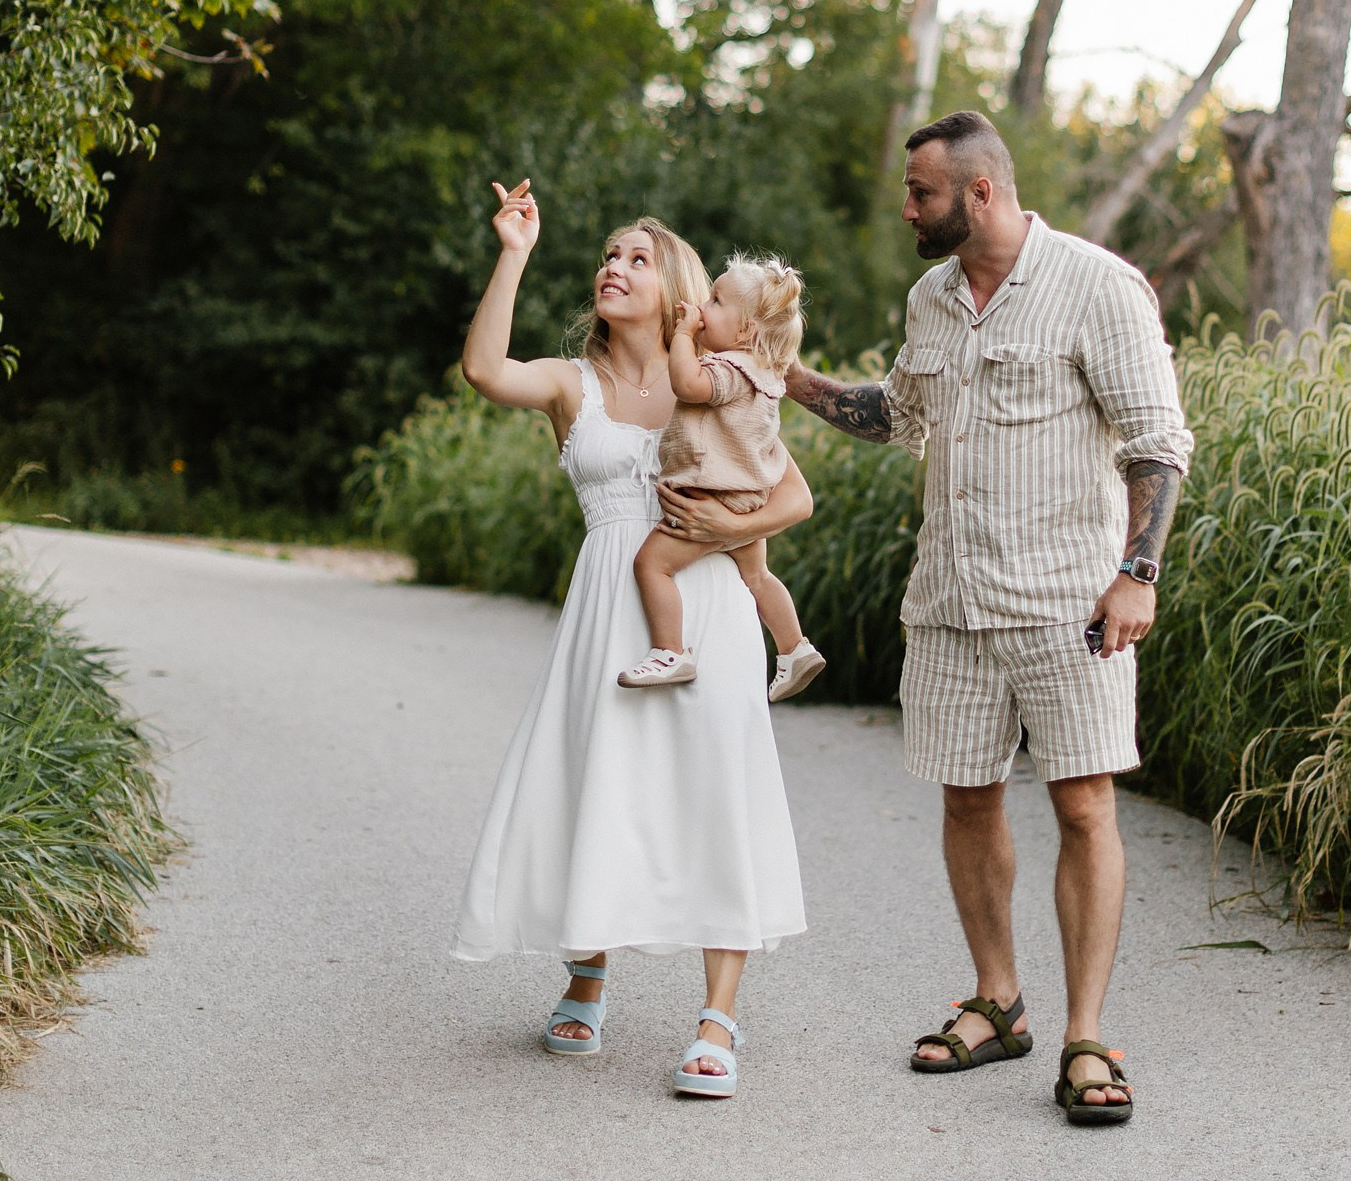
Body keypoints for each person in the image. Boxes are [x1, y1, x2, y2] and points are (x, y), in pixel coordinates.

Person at [786, 111, 1192, 1126]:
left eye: (920, 194)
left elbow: (1158, 442)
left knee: (1084, 807)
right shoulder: (930, 296)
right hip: (952, 601)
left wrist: (1136, 572)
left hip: (1069, 604)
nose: (908, 211)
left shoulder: (1097, 285)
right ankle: (997, 999)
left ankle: (1086, 1036)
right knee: (966, 800)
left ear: (978, 193)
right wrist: (788, 379)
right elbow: (903, 419)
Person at [450, 181, 809, 1099]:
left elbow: (792, 499)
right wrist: (515, 251)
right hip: (609, 603)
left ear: (678, 287)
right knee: (596, 782)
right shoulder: (576, 385)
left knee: (713, 790)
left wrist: (725, 537)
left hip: (711, 607)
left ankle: (718, 1019)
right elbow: (487, 370)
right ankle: (587, 975)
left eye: (636, 258)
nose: (613, 267)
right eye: (608, 256)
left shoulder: (720, 388)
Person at [619, 255, 829, 702]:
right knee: (758, 577)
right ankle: (794, 648)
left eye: (715, 300)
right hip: (747, 500)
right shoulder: (766, 379)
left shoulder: (728, 370)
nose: (702, 305)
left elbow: (687, 385)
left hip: (707, 496)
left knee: (651, 565)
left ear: (745, 332)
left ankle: (670, 650)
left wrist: (682, 335)